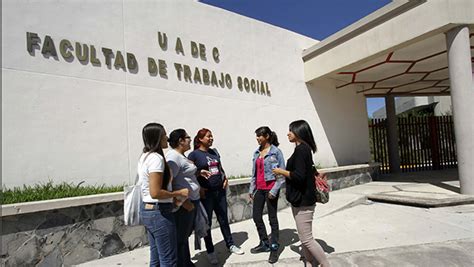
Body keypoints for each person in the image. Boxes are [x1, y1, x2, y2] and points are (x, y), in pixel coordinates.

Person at [272, 120, 330, 267]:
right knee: (305, 236)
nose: (288, 133)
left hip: (303, 200)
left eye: (291, 130)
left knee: (306, 239)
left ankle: (326, 264)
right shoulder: (305, 149)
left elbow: (298, 176)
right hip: (301, 199)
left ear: (299, 132)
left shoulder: (301, 150)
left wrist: (280, 171)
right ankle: (309, 262)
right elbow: (308, 170)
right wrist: (317, 173)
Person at [188, 128, 244, 265]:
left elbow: (220, 168)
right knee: (207, 224)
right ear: (200, 139)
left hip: (220, 192)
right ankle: (210, 251)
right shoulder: (193, 155)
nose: (211, 138)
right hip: (206, 195)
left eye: (212, 136)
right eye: (208, 136)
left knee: (223, 219)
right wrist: (199, 187)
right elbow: (189, 175)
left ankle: (230, 244)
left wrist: (225, 179)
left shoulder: (214, 152)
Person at [138, 122, 189, 267]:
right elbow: (155, 192)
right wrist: (178, 193)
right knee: (168, 260)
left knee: (156, 260)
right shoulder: (156, 159)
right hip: (159, 212)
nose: (167, 138)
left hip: (149, 211)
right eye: (164, 135)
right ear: (157, 137)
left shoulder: (145, 156)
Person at [166, 129, 210, 267]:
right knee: (181, 238)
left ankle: (187, 262)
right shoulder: (173, 157)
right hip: (185, 204)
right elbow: (168, 183)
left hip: (192, 201)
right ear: (180, 140)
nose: (191, 140)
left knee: (185, 236)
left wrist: (198, 172)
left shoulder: (181, 156)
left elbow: (184, 174)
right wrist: (183, 203)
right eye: (188, 137)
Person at [248, 126, 285, 264]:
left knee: (272, 219)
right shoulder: (256, 152)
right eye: (257, 136)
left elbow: (282, 174)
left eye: (260, 136)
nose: (257, 138)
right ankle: (264, 242)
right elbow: (254, 173)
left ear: (267, 136)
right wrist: (252, 189)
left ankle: (274, 248)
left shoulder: (276, 152)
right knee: (256, 216)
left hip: (271, 189)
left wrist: (274, 191)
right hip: (259, 189)